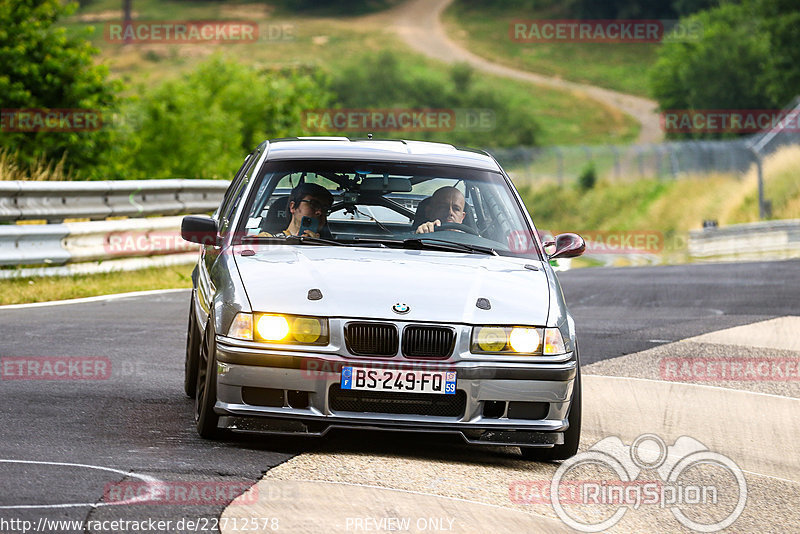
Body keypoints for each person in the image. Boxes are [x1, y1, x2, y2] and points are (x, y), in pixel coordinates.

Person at [259, 183, 333, 238]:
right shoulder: (266, 239)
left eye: (325, 208)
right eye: (313, 204)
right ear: (293, 207)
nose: (319, 212)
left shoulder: (335, 248)